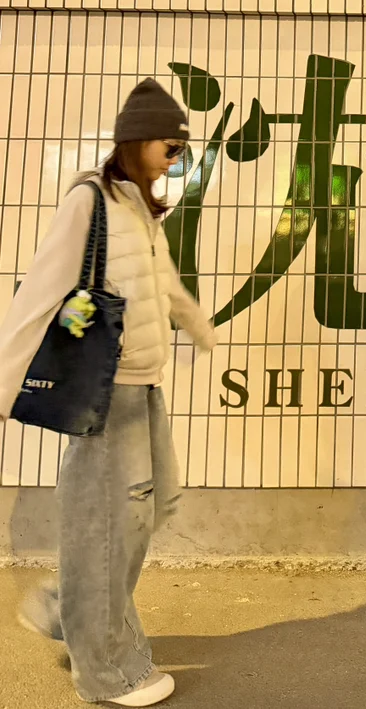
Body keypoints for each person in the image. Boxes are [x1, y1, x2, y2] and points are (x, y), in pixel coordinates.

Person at [0, 79, 217, 706]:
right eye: (168, 145)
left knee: (154, 506)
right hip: (105, 391)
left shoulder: (136, 206)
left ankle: (68, 609)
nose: (174, 156)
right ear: (135, 141)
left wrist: (194, 322)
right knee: (109, 525)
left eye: (180, 148)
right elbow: (40, 292)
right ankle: (105, 671)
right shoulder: (88, 201)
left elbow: (161, 277)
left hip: (144, 386)